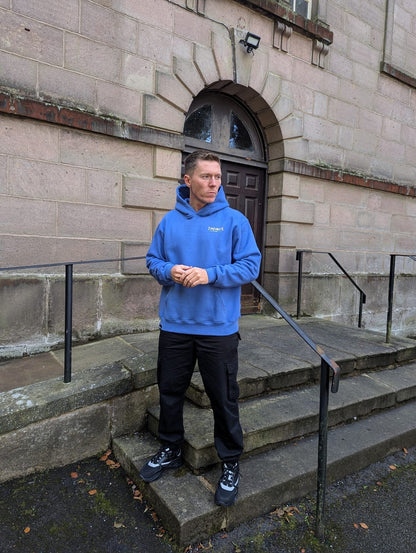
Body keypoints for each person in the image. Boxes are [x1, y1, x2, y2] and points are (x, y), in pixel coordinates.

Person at [139, 149, 261, 507]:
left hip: (218, 329)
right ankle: (170, 447)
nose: (214, 183)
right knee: (171, 391)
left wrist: (211, 274)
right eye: (206, 176)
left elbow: (251, 265)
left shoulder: (234, 221)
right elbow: (153, 260)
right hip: (175, 325)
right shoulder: (169, 222)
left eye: (218, 177)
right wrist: (168, 271)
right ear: (187, 180)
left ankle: (230, 462)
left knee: (223, 398)